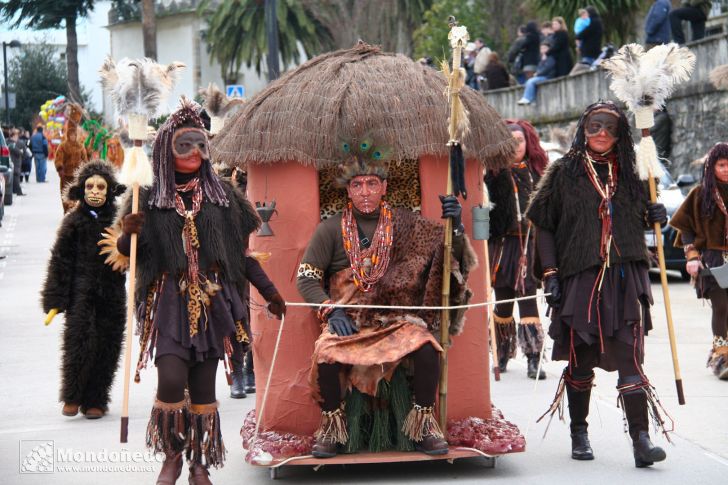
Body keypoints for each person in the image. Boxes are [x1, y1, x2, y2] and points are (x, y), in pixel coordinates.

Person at [112, 100, 283, 484]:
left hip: (213, 305)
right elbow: (129, 255)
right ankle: (172, 455)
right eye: (185, 144)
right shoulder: (149, 198)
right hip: (169, 303)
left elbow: (242, 260)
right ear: (165, 150)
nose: (195, 153)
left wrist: (271, 293)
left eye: (201, 145)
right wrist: (129, 232)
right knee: (172, 380)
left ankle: (198, 463)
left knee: (204, 390)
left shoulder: (223, 197)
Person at [296, 139, 477, 458]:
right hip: (348, 322)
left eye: (371, 183)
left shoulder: (407, 223)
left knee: (425, 346)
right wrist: (330, 311)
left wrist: (457, 226)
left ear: (384, 187)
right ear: (348, 190)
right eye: (357, 184)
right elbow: (307, 276)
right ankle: (332, 430)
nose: (365, 191)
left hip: (395, 322)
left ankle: (423, 427)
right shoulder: (329, 230)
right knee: (325, 352)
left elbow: (444, 260)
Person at [526, 101, 670, 468]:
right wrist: (551, 274)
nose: (601, 133)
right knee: (580, 360)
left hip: (625, 276)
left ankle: (641, 438)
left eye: (608, 127)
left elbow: (646, 217)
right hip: (581, 278)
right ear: (583, 129)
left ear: (620, 133)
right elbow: (543, 224)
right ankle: (579, 431)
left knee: (630, 357)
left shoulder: (637, 172)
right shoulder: (563, 172)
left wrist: (656, 214)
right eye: (594, 127)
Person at [41, 161, 127, 419]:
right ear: (82, 189)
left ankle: (96, 399)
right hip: (81, 293)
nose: (95, 191)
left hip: (112, 295)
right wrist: (56, 298)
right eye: (90, 186)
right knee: (79, 341)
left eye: (101, 186)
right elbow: (60, 260)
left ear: (110, 190)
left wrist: (131, 233)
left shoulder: (119, 220)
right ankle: (72, 395)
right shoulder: (74, 221)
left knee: (107, 345)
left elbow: (135, 255)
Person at [485, 120, 549, 379]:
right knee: (502, 304)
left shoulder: (539, 173)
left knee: (528, 300)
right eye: (510, 142)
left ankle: (534, 357)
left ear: (528, 142)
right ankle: (502, 352)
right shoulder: (492, 174)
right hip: (502, 246)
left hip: (530, 247)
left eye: (520, 141)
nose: (515, 147)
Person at [670, 142, 728, 380]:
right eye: (721, 164)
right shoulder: (700, 194)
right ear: (711, 166)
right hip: (713, 260)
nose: (726, 169)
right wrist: (692, 256)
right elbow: (686, 230)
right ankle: (721, 355)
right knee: (722, 306)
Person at [54, 125, 89, 213]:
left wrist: (86, 171)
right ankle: (66, 212)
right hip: (66, 176)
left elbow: (84, 160)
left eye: (74, 135)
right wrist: (60, 169)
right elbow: (58, 158)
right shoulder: (63, 146)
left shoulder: (81, 146)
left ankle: (76, 213)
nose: (73, 137)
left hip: (78, 176)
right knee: (66, 194)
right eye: (71, 135)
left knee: (77, 195)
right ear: (68, 135)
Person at [8, 129, 26, 196]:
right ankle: (19, 192)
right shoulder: (12, 144)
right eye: (16, 136)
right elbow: (19, 152)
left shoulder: (9, 142)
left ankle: (15, 191)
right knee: (16, 178)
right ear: (13, 136)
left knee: (15, 178)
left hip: (16, 163)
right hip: (15, 163)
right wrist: (20, 151)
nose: (17, 137)